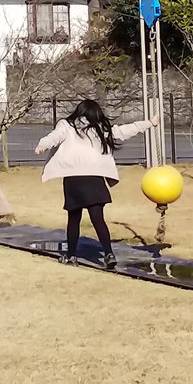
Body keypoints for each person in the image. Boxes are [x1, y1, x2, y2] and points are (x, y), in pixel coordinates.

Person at [34, 98, 155, 270]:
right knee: (98, 219)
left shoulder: (67, 125)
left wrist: (42, 145)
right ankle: (108, 253)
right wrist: (150, 123)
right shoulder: (99, 129)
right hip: (95, 178)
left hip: (74, 178)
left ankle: (72, 255)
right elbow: (124, 131)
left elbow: (55, 136)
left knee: (74, 218)